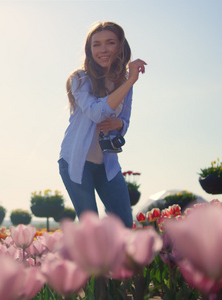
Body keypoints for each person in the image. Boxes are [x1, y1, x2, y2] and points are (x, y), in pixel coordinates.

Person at [58, 21, 147, 228]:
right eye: (96, 44)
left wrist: (119, 123)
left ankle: (123, 262)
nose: (103, 49)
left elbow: (125, 120)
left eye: (110, 43)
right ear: (89, 50)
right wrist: (130, 81)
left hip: (108, 164)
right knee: (92, 228)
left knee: (124, 223)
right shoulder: (79, 79)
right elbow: (96, 113)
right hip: (75, 161)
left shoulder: (122, 81)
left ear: (120, 47)